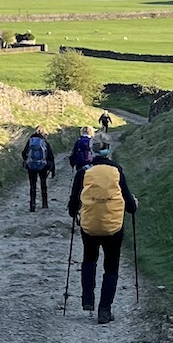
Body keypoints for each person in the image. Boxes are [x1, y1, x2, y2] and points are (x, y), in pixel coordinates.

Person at [67, 131, 137, 324]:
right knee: (111, 266)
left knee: (89, 259)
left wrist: (75, 213)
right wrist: (134, 206)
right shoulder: (117, 170)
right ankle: (104, 310)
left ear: (92, 150)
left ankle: (88, 298)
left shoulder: (84, 172)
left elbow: (73, 205)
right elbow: (129, 204)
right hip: (113, 227)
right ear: (109, 149)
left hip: (89, 226)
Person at [21, 126, 56, 211]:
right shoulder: (44, 142)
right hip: (42, 166)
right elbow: (51, 156)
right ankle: (44, 203)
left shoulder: (30, 142)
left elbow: (24, 153)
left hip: (31, 166)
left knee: (32, 185)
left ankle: (32, 204)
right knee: (43, 184)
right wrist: (52, 170)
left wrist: (27, 160)